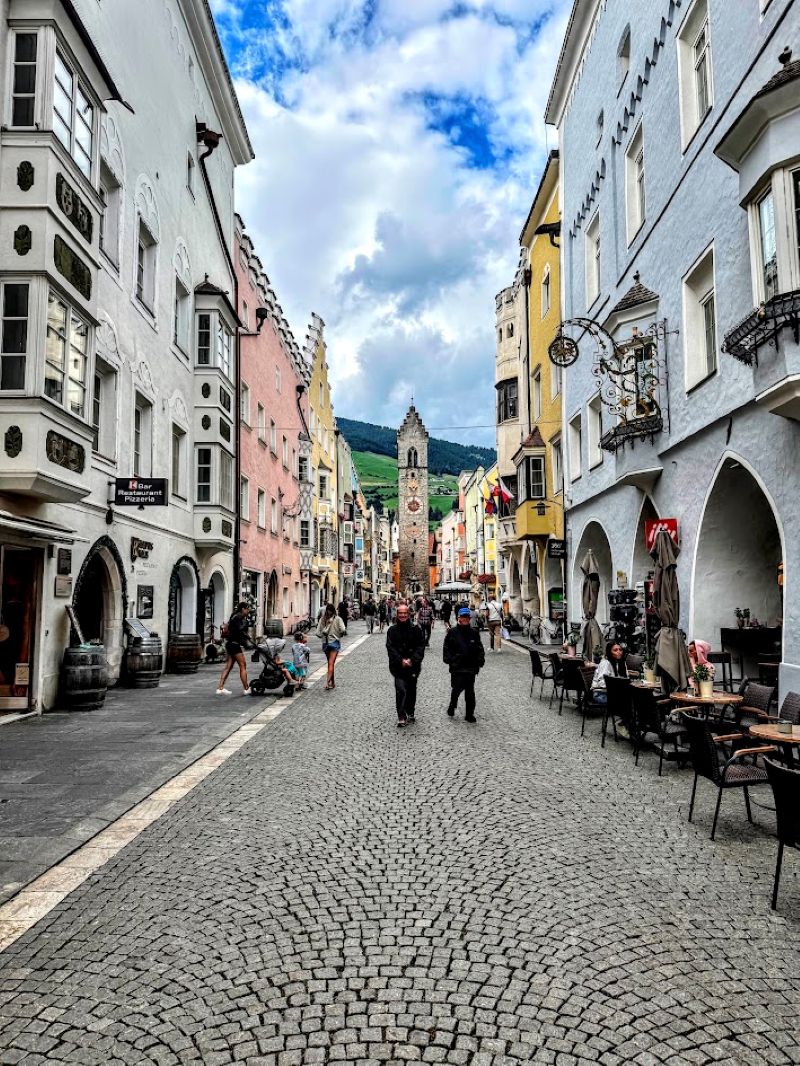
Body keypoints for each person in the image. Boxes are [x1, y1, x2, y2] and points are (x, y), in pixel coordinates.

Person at [386, 601, 425, 727]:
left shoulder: (416, 630)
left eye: (404, 613)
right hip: (398, 667)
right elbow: (390, 648)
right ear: (397, 615)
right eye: (400, 613)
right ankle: (401, 716)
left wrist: (412, 660)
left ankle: (410, 711)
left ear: (409, 614)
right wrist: (401, 660)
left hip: (413, 666)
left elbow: (420, 647)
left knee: (411, 689)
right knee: (401, 690)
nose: (402, 615)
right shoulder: (392, 630)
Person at [443, 606, 485, 722]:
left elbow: (479, 648)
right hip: (457, 667)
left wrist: (480, 660)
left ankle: (469, 714)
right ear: (459, 618)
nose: (465, 619)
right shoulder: (452, 632)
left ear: (469, 618)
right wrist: (450, 660)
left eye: (467, 617)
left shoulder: (474, 632)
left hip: (470, 666)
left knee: (470, 691)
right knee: (456, 689)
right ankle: (452, 704)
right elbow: (446, 648)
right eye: (463, 617)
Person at [217, 601, 252, 695]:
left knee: (228, 666)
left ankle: (220, 688)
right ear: (243, 609)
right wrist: (247, 636)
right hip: (235, 645)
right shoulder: (239, 617)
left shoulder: (234, 616)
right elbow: (240, 630)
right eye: (247, 609)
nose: (248, 611)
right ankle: (246, 688)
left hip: (230, 644)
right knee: (243, 665)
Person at [317, 603, 346, 690]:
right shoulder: (338, 619)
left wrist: (323, 635)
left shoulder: (322, 619)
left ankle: (332, 683)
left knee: (330, 663)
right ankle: (327, 682)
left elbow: (318, 633)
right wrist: (339, 635)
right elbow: (343, 629)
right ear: (334, 610)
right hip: (334, 642)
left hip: (325, 643)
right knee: (331, 663)